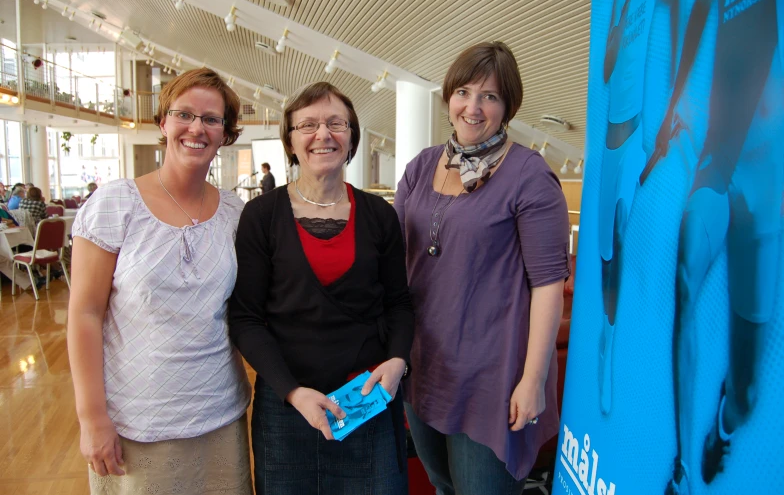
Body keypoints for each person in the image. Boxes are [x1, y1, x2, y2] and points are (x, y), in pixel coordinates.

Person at [394, 41, 570, 493]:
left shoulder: (529, 176)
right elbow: (391, 257)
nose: (473, 107)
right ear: (449, 96)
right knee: (441, 483)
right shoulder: (421, 167)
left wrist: (533, 380)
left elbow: (548, 285)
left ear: (508, 106)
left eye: (489, 96)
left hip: (491, 378)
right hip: (425, 366)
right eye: (464, 92)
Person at [67, 68, 253, 495]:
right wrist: (92, 417)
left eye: (211, 119)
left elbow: (245, 310)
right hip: (137, 419)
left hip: (218, 413)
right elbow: (85, 313)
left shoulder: (234, 212)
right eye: (184, 114)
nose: (196, 128)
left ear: (225, 133)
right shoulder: (116, 203)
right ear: (163, 123)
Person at [229, 81, 413, 495]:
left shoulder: (379, 216)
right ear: (291, 142)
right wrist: (293, 393)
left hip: (365, 400)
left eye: (336, 123)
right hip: (286, 406)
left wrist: (398, 360)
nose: (323, 134)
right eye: (308, 125)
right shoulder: (261, 216)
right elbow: (246, 318)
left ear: (351, 139)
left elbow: (399, 303)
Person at [640, 0, 784, 493]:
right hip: (717, 164)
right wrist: (667, 117)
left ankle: (725, 420)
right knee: (683, 285)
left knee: (745, 399)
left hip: (768, 185)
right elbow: (700, 18)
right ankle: (680, 467)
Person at [598, 0, 684, 415]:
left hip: (640, 140)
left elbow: (677, 21)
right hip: (611, 145)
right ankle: (608, 347)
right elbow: (608, 69)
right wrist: (615, 31)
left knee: (641, 256)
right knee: (606, 256)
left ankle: (632, 366)